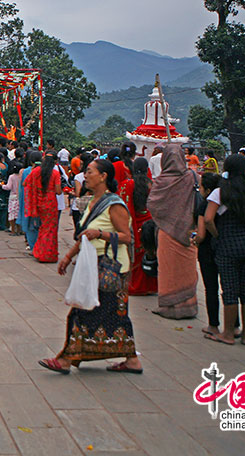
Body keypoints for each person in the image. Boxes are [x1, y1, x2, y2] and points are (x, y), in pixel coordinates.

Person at [40, 158, 141, 374]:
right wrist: (68, 256)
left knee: (83, 312)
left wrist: (101, 234)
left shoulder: (113, 204)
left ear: (103, 176)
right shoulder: (93, 201)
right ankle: (131, 359)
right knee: (116, 315)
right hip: (95, 264)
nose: (85, 176)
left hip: (112, 266)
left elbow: (126, 237)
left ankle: (66, 359)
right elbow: (85, 235)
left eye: (90, 172)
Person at [204, 154, 245, 346]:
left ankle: (227, 333)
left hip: (227, 247)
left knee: (230, 289)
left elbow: (208, 219)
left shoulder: (219, 193)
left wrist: (218, 235)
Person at [147, 144, 199, 319]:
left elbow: (152, 204)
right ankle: (189, 307)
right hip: (188, 231)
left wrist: (166, 217)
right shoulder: (192, 178)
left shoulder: (161, 181)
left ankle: (168, 307)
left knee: (168, 270)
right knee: (187, 269)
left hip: (167, 233)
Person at [119, 158, 157, 296]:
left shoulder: (127, 184)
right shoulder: (150, 184)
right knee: (148, 252)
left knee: (134, 256)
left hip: (133, 223)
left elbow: (125, 208)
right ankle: (150, 286)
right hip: (148, 222)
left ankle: (135, 286)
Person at [193, 173, 224, 337]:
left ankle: (213, 325)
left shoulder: (205, 205)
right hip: (225, 248)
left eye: (201, 187)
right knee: (228, 288)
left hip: (207, 250)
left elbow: (201, 234)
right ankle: (235, 325)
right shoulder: (227, 202)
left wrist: (195, 240)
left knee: (211, 288)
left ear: (209, 190)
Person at [23, 152, 62, 262]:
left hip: (39, 202)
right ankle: (48, 254)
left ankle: (39, 252)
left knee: (43, 228)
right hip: (51, 203)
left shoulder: (36, 172)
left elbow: (25, 183)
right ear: (54, 162)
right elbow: (58, 192)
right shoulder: (55, 173)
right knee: (50, 229)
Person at [18, 151, 41, 251]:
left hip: (29, 201)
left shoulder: (26, 172)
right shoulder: (46, 171)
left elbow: (22, 188)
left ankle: (33, 246)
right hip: (43, 201)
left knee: (31, 225)